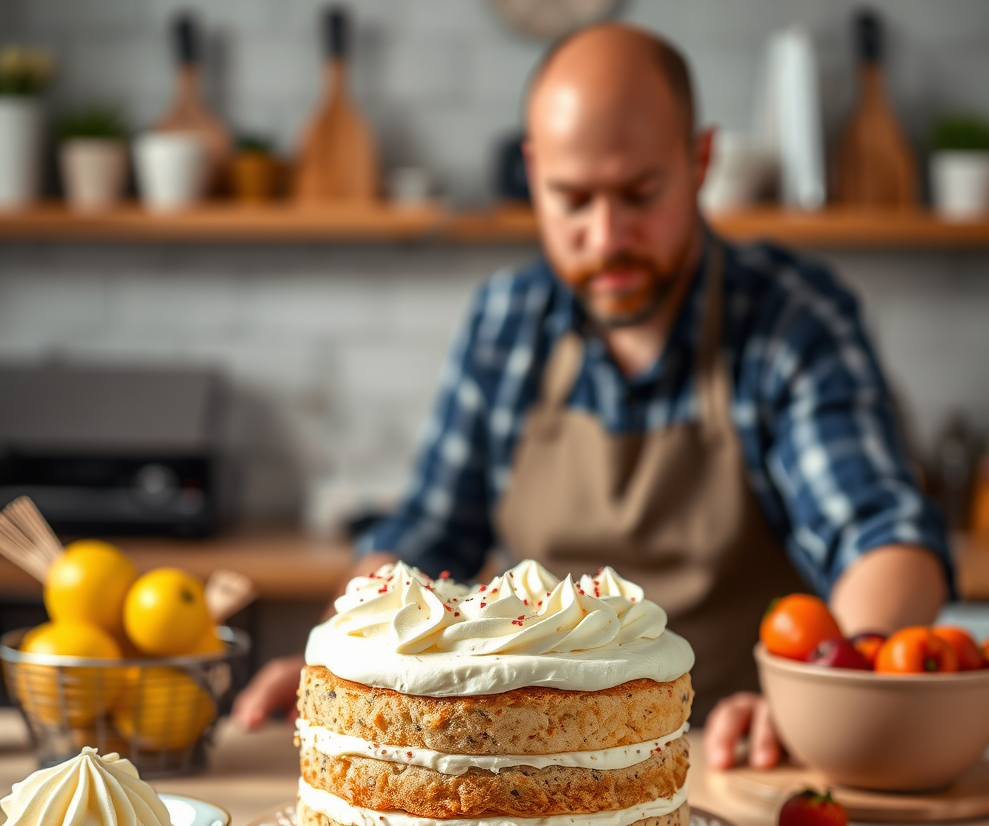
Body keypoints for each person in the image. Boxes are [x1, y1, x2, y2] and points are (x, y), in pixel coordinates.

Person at [233, 22, 951, 770]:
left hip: (738, 753)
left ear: (699, 161)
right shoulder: (505, 323)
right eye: (572, 199)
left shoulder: (790, 322)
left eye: (639, 194)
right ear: (533, 173)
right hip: (533, 768)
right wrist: (341, 658)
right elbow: (423, 540)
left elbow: (884, 539)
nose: (607, 237)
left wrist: (818, 698)